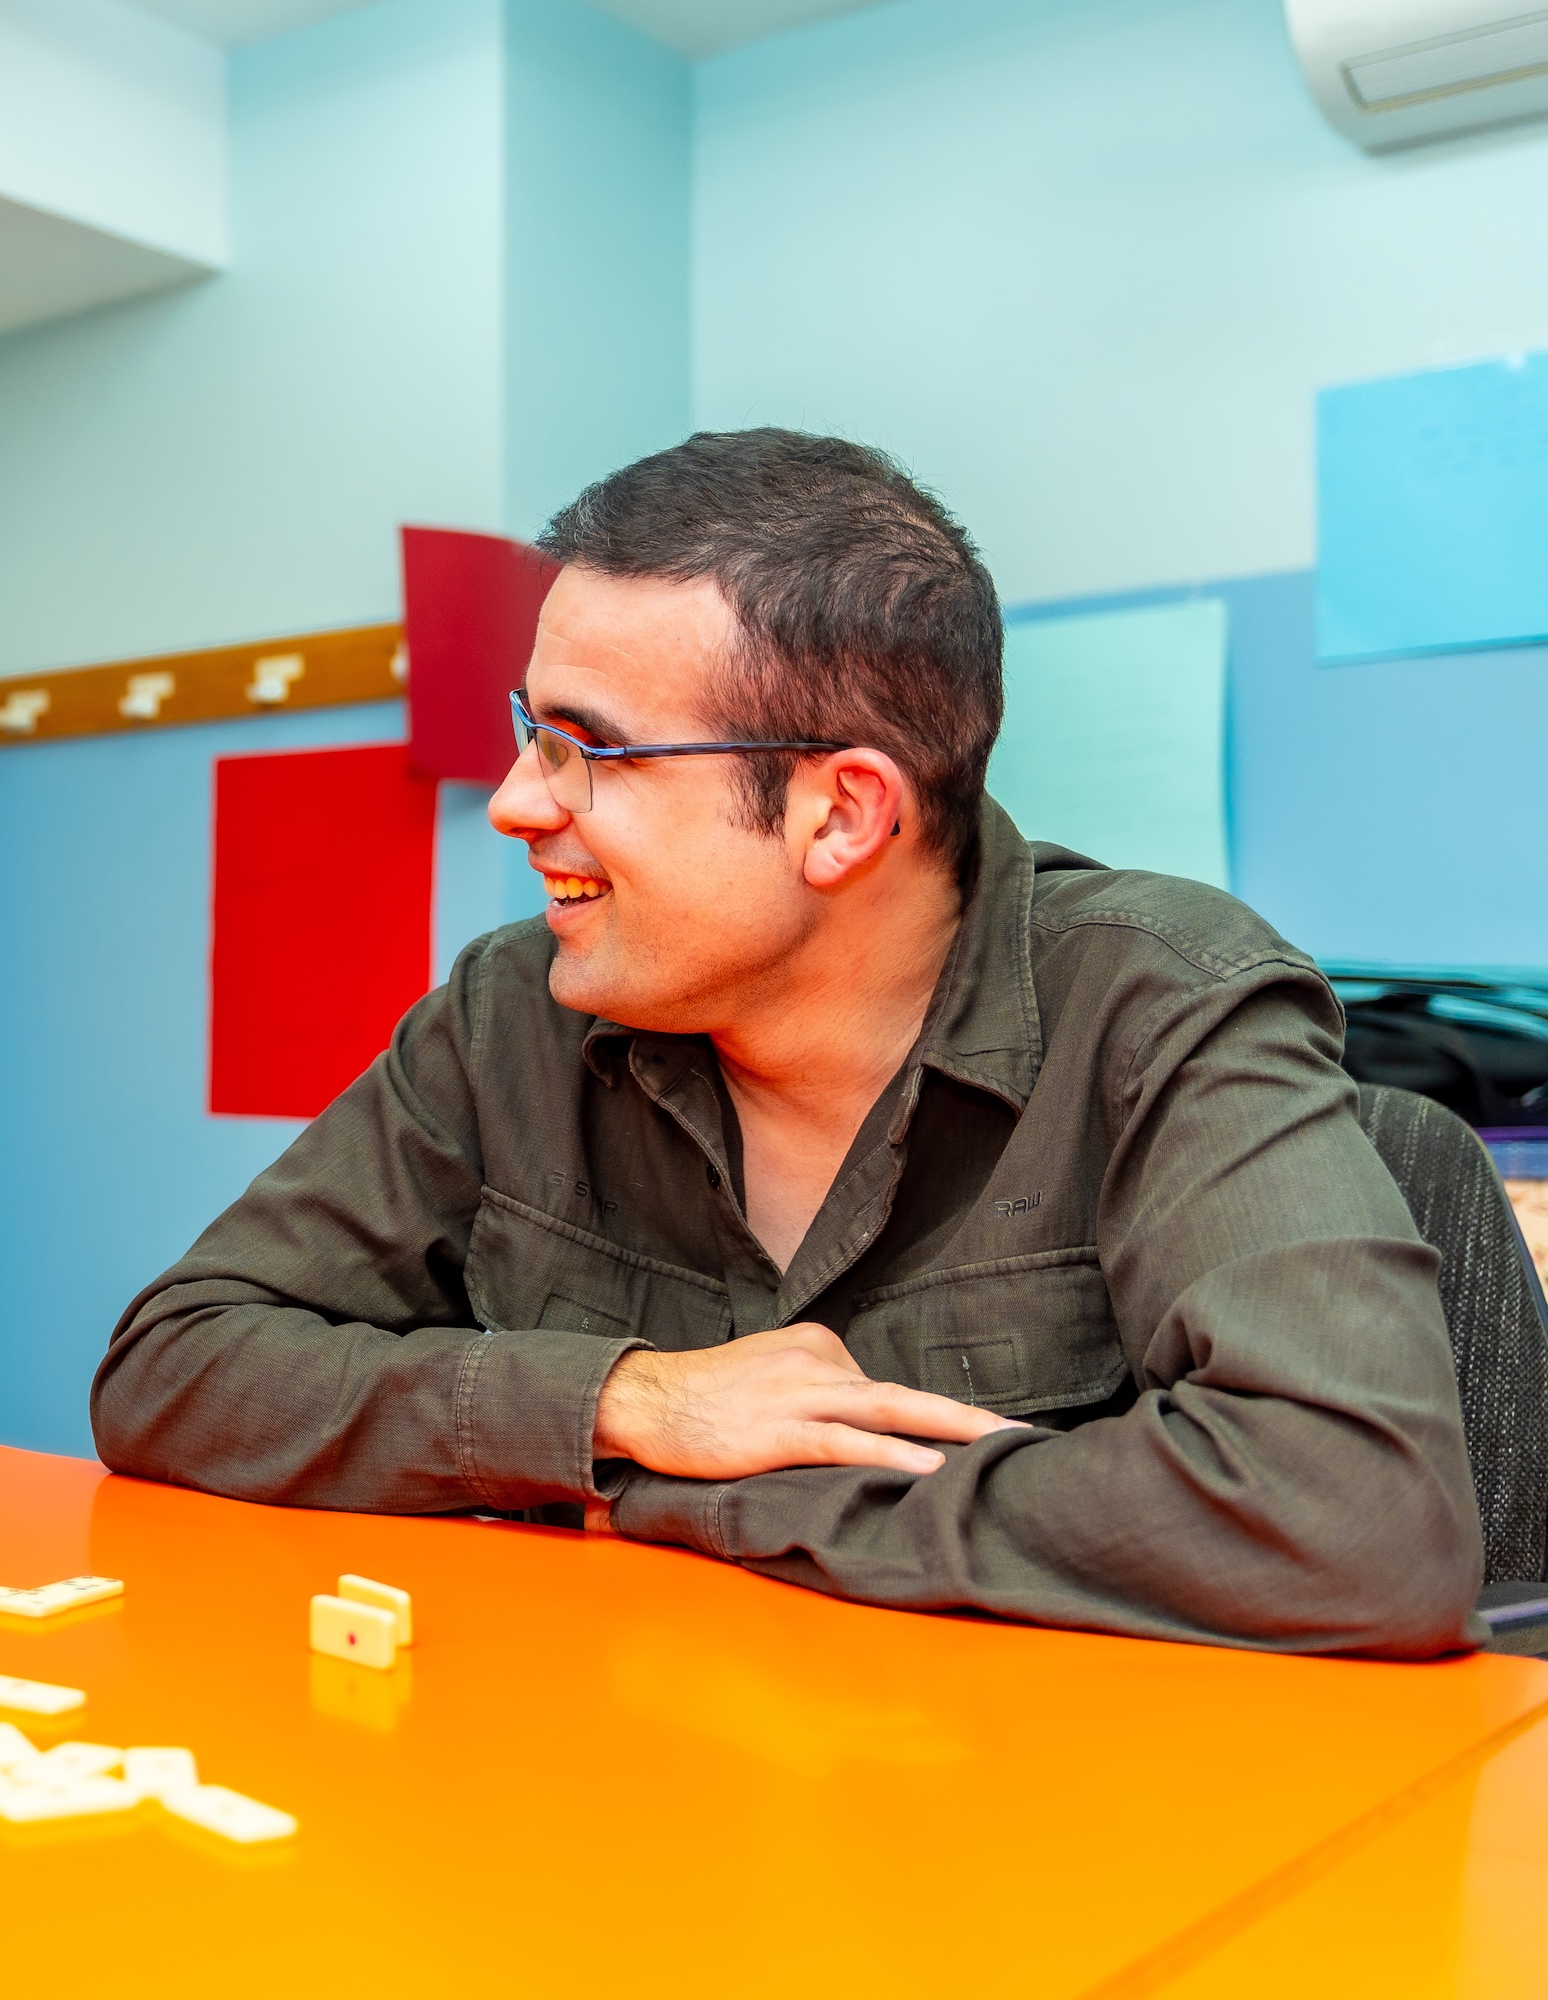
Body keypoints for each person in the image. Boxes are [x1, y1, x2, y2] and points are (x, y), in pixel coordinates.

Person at [94, 429, 1485, 1656]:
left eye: (591, 748)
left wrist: (712, 1499)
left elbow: (1352, 1517)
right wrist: (626, 1403)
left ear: (840, 816)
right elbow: (175, 1364)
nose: (518, 803)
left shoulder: (1163, 999)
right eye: (530, 732)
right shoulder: (516, 1011)